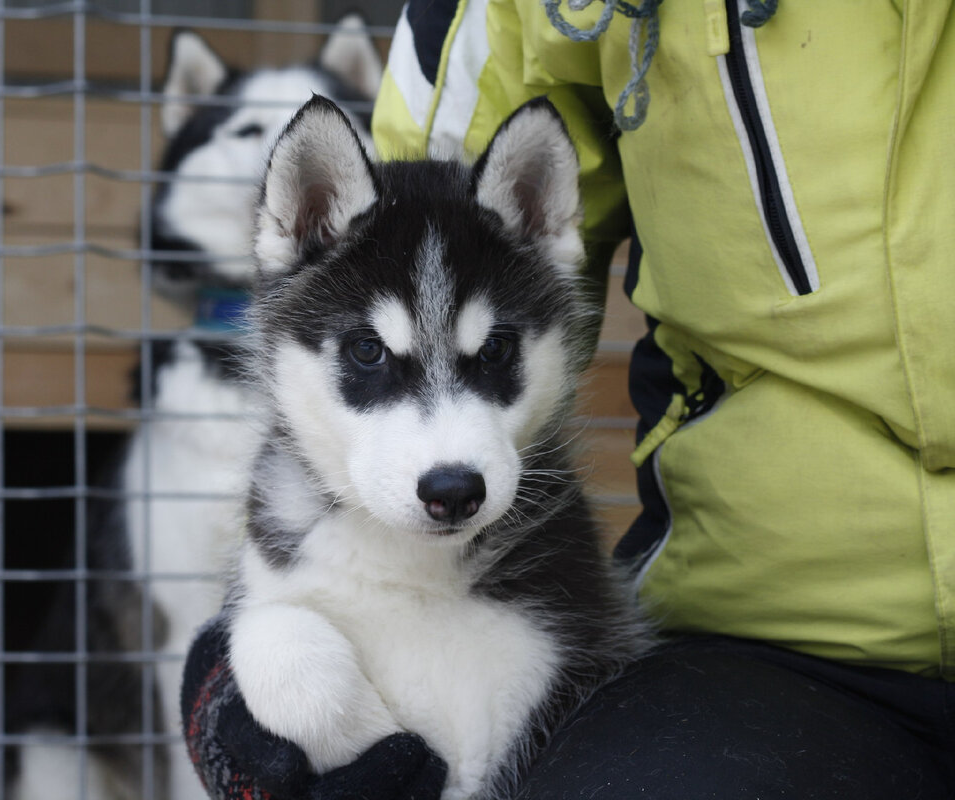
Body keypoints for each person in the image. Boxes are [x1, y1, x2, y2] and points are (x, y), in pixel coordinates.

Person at [180, 1, 955, 796]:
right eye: (370, 356)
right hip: (769, 638)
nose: (448, 446)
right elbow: (420, 186)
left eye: (499, 355)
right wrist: (258, 647)